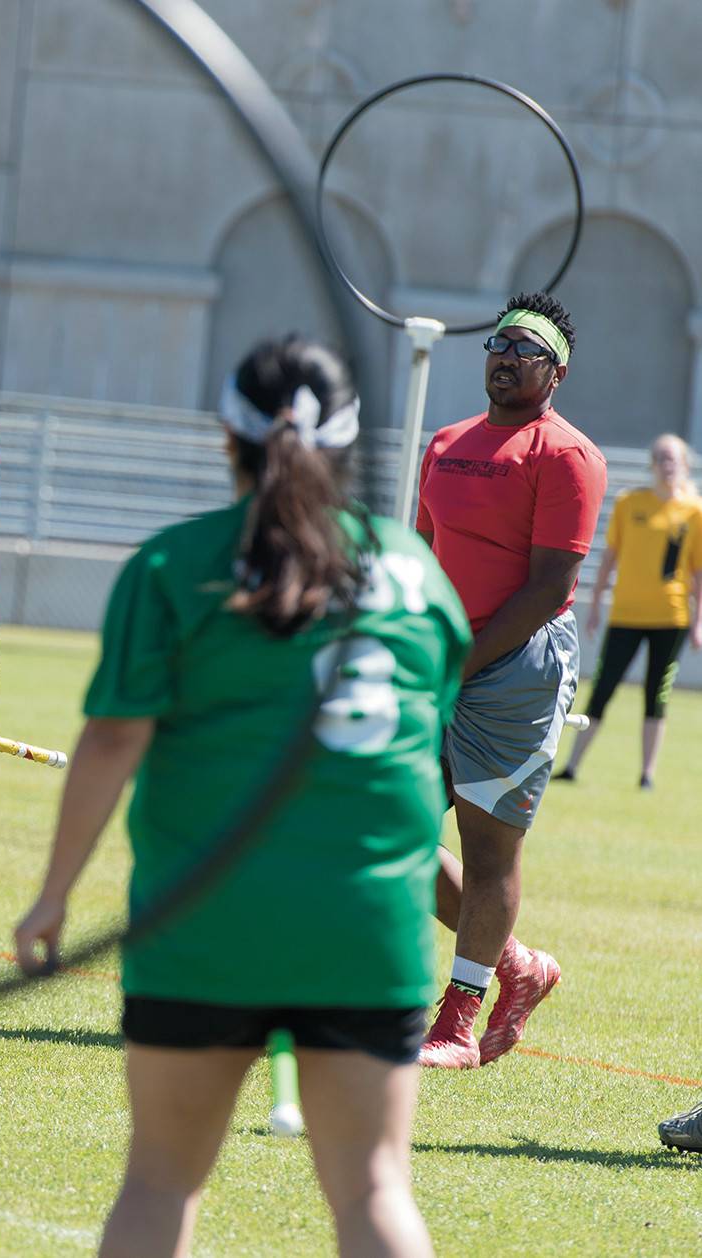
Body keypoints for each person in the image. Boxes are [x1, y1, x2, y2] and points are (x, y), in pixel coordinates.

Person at [16, 337, 467, 1258]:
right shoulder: (417, 571)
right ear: (349, 443)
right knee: (375, 1192)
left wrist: (55, 894)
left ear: (228, 437)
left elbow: (111, 738)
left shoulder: (174, 566)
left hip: (203, 923)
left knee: (158, 1183)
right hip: (364, 924)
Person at [413, 292, 607, 1069]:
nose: (504, 355)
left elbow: (546, 588)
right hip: (435, 658)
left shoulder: (566, 455)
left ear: (554, 373)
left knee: (486, 846)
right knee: (383, 822)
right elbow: (420, 554)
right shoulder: (444, 442)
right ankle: (517, 967)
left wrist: (457, 664)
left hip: (517, 666)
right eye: (497, 342)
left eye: (524, 349)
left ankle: (456, 1023)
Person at [556, 434, 702, 789]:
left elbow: (698, 572)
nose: (668, 465)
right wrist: (594, 607)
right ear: (652, 463)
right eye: (662, 458)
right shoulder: (629, 502)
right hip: (626, 614)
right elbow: (609, 558)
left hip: (670, 617)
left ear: (684, 464)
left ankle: (647, 774)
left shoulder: (694, 511)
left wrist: (699, 623)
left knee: (657, 694)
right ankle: (572, 766)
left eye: (674, 459)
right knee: (603, 687)